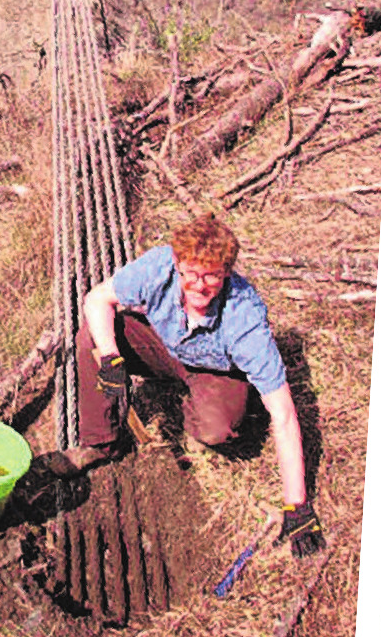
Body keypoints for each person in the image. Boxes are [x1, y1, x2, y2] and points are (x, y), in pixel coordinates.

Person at [53, 208, 321, 557]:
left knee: (216, 430)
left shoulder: (244, 319)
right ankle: (101, 443)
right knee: (91, 335)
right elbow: (97, 299)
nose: (198, 285)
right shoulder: (159, 267)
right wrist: (110, 357)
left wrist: (296, 504)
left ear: (226, 274)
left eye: (210, 276)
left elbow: (284, 415)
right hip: (164, 344)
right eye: (190, 273)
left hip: (213, 369)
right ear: (177, 265)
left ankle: (200, 404)